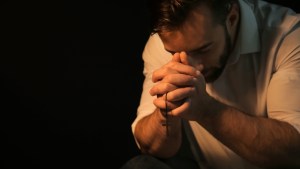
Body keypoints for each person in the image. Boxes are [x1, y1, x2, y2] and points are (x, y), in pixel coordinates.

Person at [121, 0, 300, 169]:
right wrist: (165, 112)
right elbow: (154, 148)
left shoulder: (288, 35)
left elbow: (294, 154)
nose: (192, 65)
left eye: (203, 49)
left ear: (232, 18)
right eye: (173, 52)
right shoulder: (161, 45)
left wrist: (206, 109)